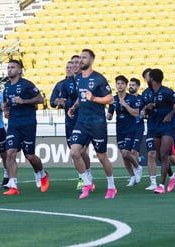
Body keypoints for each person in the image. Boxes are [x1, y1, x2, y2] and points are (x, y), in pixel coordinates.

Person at [68, 49, 117, 199]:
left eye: (84, 58)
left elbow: (110, 99)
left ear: (92, 60)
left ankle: (111, 186)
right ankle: (87, 183)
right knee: (74, 152)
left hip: (97, 123)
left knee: (102, 157)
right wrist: (74, 107)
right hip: (82, 122)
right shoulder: (77, 78)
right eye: (80, 57)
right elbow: (81, 97)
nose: (81, 60)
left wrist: (94, 98)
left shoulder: (99, 79)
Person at [2, 59, 49, 195]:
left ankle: (42, 173)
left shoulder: (27, 85)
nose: (9, 69)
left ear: (19, 70)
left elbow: (40, 99)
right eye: (8, 67)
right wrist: (6, 109)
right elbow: (6, 101)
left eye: (12, 67)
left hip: (28, 123)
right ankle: (13, 186)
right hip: (13, 124)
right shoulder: (7, 86)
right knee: (10, 152)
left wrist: (24, 101)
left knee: (29, 155)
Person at [140, 68, 175, 194]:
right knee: (160, 155)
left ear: (152, 79)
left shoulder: (166, 92)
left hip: (168, 126)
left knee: (165, 154)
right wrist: (146, 108)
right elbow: (142, 112)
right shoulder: (146, 93)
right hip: (153, 126)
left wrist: (171, 114)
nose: (147, 79)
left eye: (148, 77)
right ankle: (172, 177)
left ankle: (161, 185)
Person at [58, 56, 92, 191]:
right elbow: (60, 99)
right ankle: (84, 177)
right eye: (71, 65)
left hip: (86, 120)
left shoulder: (88, 80)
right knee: (75, 152)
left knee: (82, 150)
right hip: (71, 121)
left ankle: (86, 177)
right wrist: (61, 102)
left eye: (76, 63)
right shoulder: (66, 83)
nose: (73, 66)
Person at [107, 75, 143, 186]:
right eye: (118, 83)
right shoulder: (113, 99)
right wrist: (106, 114)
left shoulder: (132, 98)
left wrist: (125, 105)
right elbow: (109, 115)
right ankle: (132, 176)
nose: (120, 85)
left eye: (122, 83)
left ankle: (138, 167)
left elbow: (136, 113)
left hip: (130, 129)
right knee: (123, 155)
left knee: (126, 152)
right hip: (119, 129)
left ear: (125, 86)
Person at [128, 77, 146, 170]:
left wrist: (144, 113)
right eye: (130, 85)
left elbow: (146, 112)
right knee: (129, 152)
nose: (130, 87)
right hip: (127, 127)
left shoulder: (142, 99)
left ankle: (136, 171)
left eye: (133, 85)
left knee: (133, 150)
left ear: (138, 86)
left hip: (138, 127)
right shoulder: (125, 98)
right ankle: (138, 161)